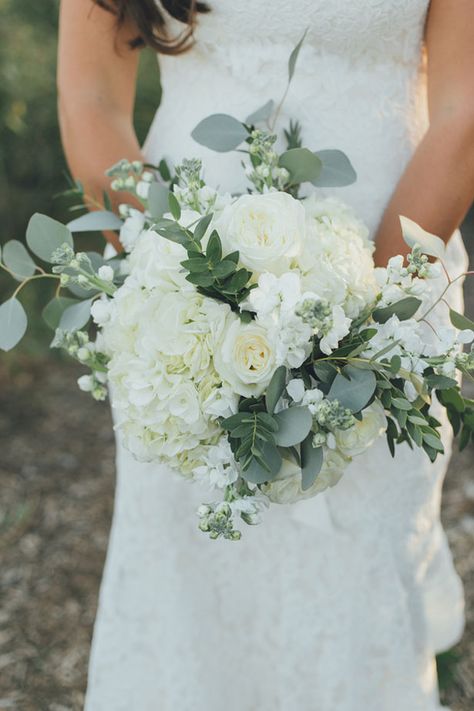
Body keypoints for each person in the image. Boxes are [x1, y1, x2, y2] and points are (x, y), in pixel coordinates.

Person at [57, 1, 473, 709]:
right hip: (180, 300)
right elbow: (91, 93)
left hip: (396, 269)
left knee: (361, 569)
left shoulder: (379, 308)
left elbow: (465, 111)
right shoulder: (179, 295)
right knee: (190, 571)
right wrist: (183, 281)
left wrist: (356, 322)